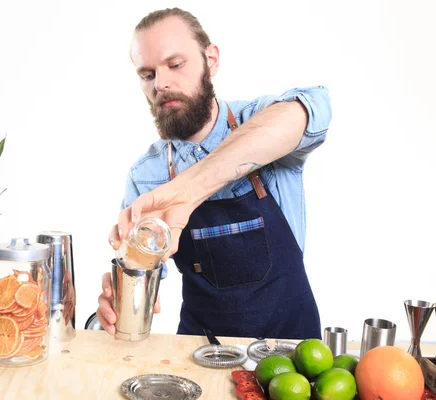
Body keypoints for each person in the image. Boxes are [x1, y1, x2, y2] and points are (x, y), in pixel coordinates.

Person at [96, 7, 332, 339]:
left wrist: (187, 192)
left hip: (291, 359)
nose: (161, 83)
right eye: (147, 74)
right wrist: (120, 295)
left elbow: (316, 107)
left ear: (212, 60)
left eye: (175, 65)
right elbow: (139, 275)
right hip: (200, 356)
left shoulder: (261, 122)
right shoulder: (146, 176)